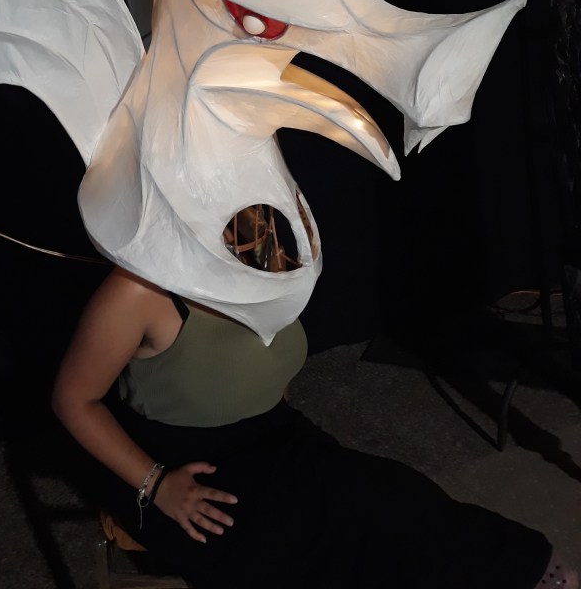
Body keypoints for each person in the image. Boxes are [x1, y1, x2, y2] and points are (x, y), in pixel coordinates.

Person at [52, 240, 577, 589]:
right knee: (305, 551)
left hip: (270, 436)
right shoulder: (137, 289)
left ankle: (527, 570)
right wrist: (157, 485)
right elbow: (74, 401)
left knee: (395, 501)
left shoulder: (264, 249)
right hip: (172, 466)